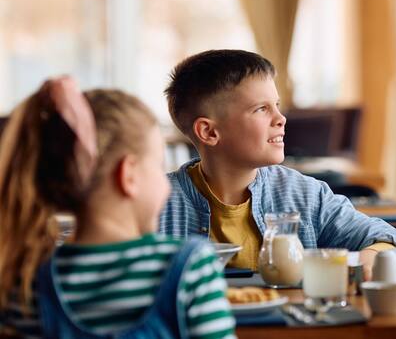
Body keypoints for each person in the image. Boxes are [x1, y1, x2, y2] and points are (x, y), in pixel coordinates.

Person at [0, 78, 234, 338]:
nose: (166, 185)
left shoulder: (25, 283)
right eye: (158, 166)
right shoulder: (191, 266)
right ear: (129, 175)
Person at [158, 49, 396, 279]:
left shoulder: (304, 195)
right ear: (209, 132)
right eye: (261, 109)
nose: (281, 118)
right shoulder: (157, 205)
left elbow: (392, 238)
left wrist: (372, 255)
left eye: (276, 106)